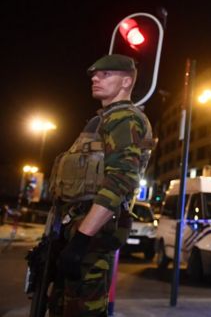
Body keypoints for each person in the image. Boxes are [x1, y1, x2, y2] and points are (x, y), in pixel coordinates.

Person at [46, 54, 154, 316]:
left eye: (105, 75)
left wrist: (82, 240)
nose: (95, 78)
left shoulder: (125, 118)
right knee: (62, 306)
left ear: (126, 82)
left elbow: (121, 181)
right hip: (76, 228)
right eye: (95, 75)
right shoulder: (103, 120)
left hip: (92, 235)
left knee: (83, 309)